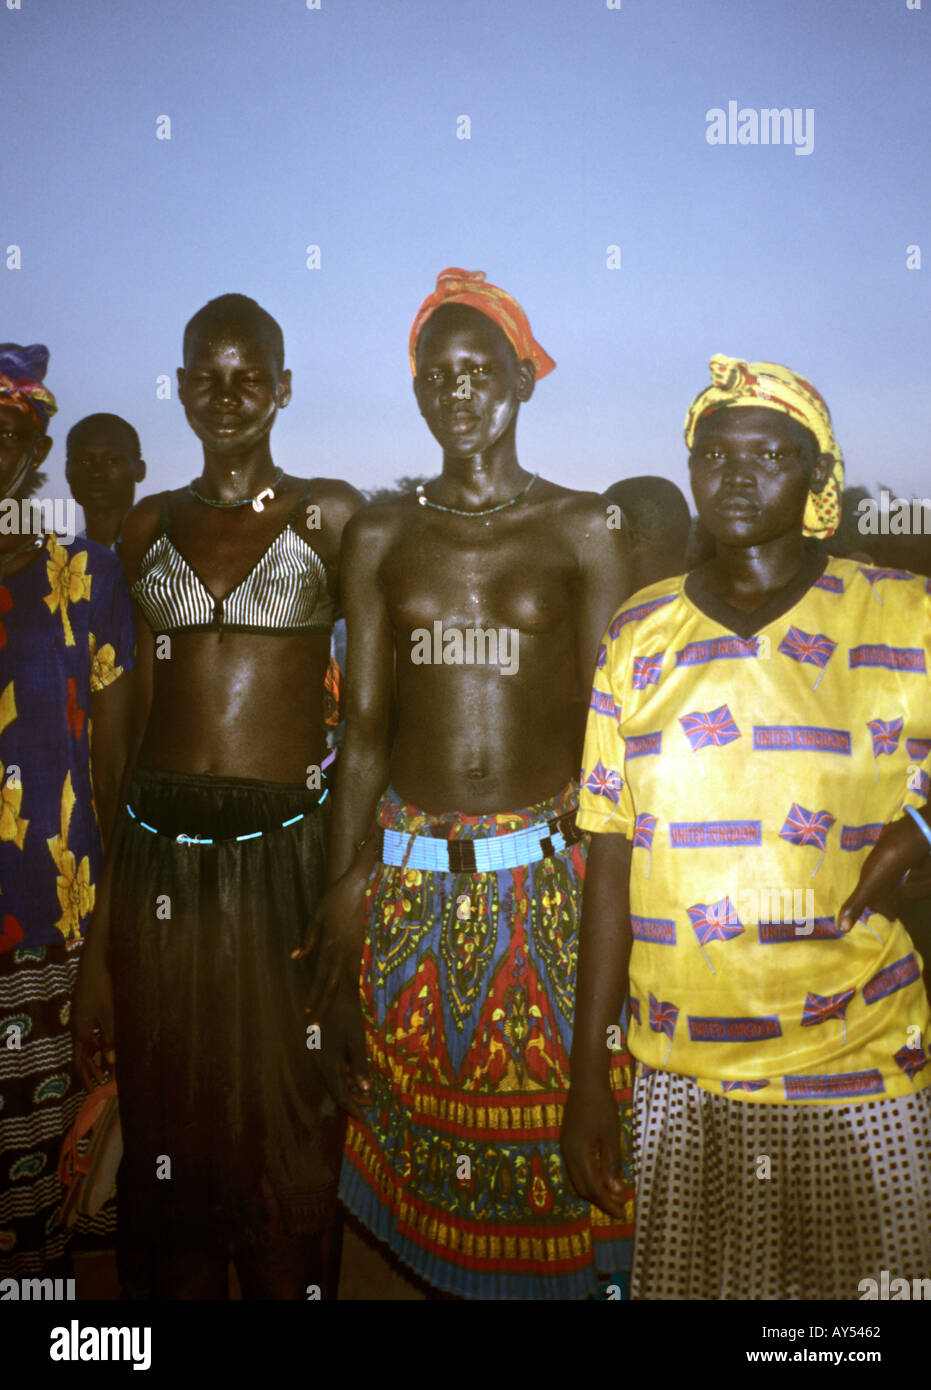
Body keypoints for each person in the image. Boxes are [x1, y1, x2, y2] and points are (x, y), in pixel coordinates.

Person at [563, 353, 931, 1300]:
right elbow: (608, 855)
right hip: (683, 1079)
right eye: (713, 452)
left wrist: (924, 833)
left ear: (815, 476)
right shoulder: (638, 637)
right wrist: (587, 1077)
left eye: (769, 452)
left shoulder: (897, 614)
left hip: (858, 1066)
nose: (736, 472)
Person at [306, 268, 635, 1299]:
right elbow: (361, 737)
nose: (456, 389)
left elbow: (610, 753)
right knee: (428, 1184)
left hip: (547, 887)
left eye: (478, 367)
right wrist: (339, 898)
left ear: (522, 379)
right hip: (408, 888)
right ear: (415, 392)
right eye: (434, 374)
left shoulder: (586, 531)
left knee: (567, 1161)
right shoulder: (381, 533)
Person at [73, 293, 363, 1299]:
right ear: (182, 385)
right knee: (171, 1117)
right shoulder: (147, 527)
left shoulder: (330, 514)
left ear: (282, 389)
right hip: (160, 857)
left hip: (284, 849)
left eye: (250, 377)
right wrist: (109, 934)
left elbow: (371, 721)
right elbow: (139, 732)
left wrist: (351, 878)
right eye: (207, 375)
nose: (227, 395)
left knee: (291, 1116)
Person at [0, 345, 135, 1277]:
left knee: (32, 1216)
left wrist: (106, 959)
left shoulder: (86, 577)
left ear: (33, 446)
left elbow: (119, 784)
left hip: (47, 943)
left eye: (5, 432)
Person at [65, 413, 146, 550]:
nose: (97, 473)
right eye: (84, 461)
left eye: (112, 461)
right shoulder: (58, 560)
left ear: (139, 470)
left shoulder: (167, 554)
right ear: (67, 471)